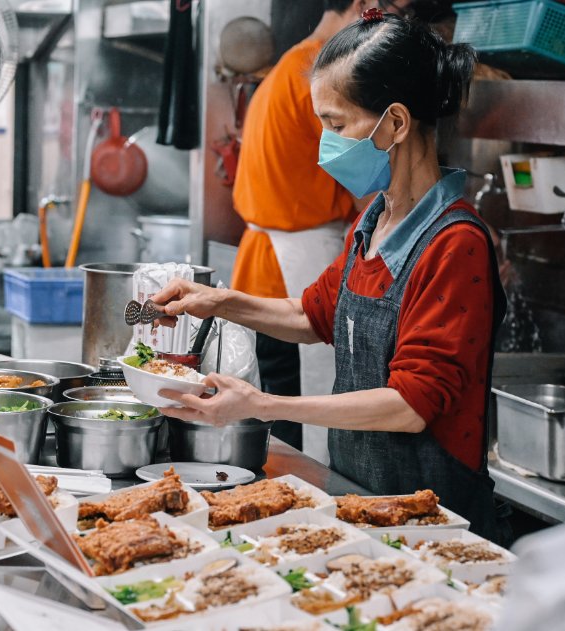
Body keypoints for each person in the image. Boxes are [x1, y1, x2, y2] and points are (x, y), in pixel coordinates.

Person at [153, 9, 506, 540]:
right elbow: (309, 313)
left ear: (395, 124)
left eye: (337, 126)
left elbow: (411, 405)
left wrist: (263, 406)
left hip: (437, 520)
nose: (326, 144)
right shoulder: (373, 221)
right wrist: (214, 301)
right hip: (365, 499)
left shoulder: (455, 244)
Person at [230, 0, 380, 457]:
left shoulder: (292, 66)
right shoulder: (322, 70)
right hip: (294, 265)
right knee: (299, 410)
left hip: (266, 262)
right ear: (363, 6)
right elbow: (363, 174)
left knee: (280, 402)